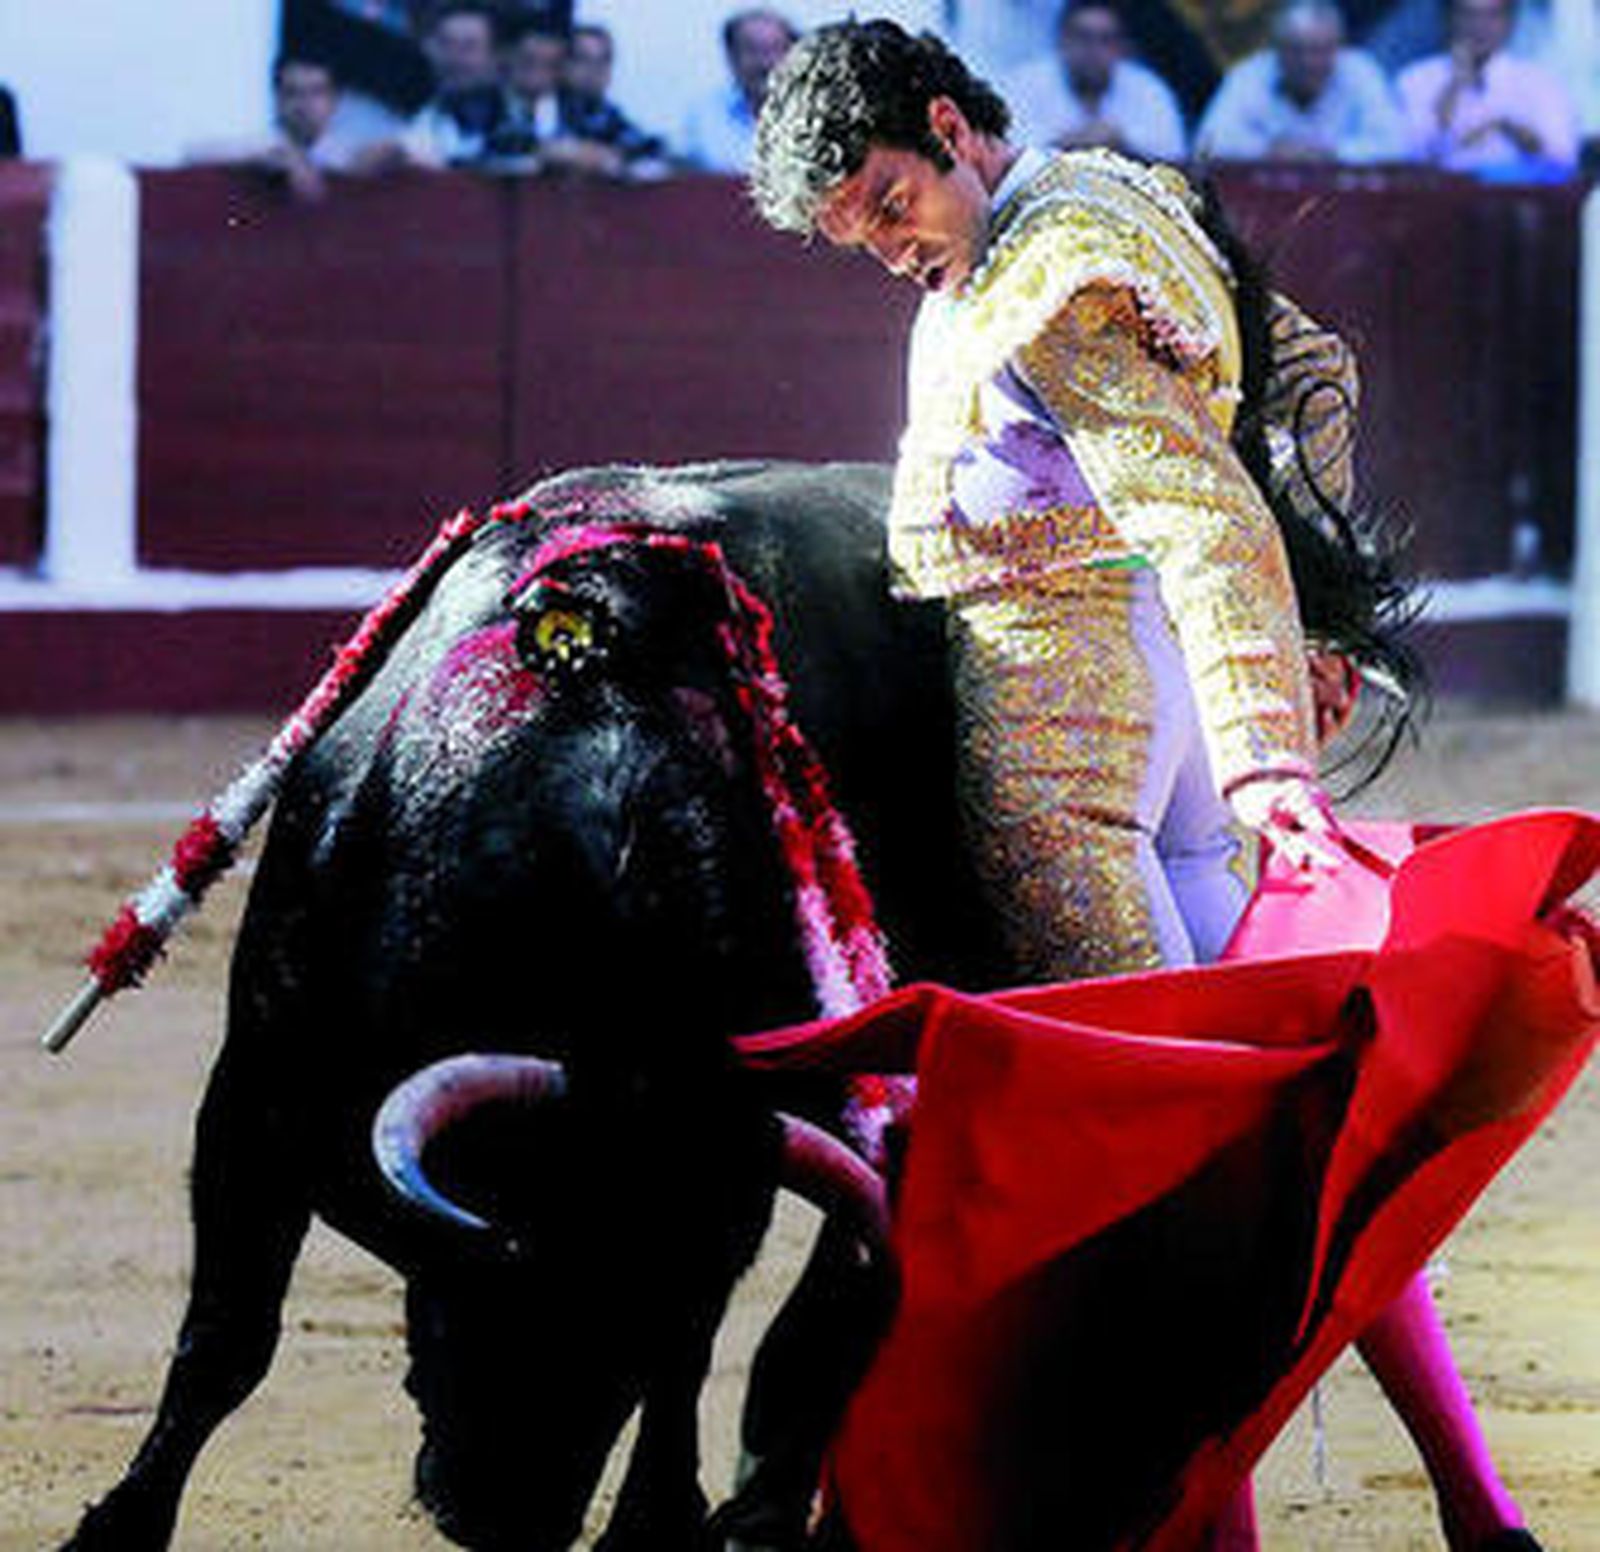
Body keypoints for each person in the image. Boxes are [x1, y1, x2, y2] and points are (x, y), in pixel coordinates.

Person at [749, 19, 1541, 1551]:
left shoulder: (1049, 284)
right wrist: (1304, 624)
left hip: (1079, 748)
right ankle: (1471, 1498)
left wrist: (1263, 749)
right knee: (1278, 1141)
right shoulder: (1108, 199)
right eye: (856, 237)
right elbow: (1309, 379)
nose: (889, 252)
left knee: (1160, 1174)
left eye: (890, 203)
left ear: (949, 123)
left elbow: (1195, 509)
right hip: (1162, 703)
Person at [1196, 0, 1409, 163]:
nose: (1309, 62)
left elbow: (1398, 146)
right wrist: (1266, 150)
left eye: (1320, 50)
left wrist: (1330, 152)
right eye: (1297, 50)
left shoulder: (1361, 71)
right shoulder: (1249, 75)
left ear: (1339, 47)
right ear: (1276, 48)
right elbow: (1205, 146)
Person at [1396, 0, 1579, 175]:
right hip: (1438, 195)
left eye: (1492, 15)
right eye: (1468, 15)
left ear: (1510, 21)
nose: (1479, 26)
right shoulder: (1415, 80)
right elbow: (1409, 156)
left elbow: (1563, 159)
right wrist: (1454, 86)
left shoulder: (1541, 83)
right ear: (1449, 18)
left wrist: (1510, 128)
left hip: (1519, 198)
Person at [1003, 0, 1188, 164]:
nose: (1093, 50)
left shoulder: (1149, 89)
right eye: (1083, 37)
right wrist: (1069, 143)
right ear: (1062, 40)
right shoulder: (1024, 83)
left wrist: (1123, 145)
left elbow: (1175, 164)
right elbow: (1005, 158)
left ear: (1122, 47)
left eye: (1105, 40)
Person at [185, 54, 356, 200]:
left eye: (316, 92)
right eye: (292, 92)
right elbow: (194, 154)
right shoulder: (264, 145)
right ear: (277, 99)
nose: (304, 104)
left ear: (335, 100)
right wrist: (278, 156)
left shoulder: (347, 150)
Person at [679, 8, 798, 173]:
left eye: (774, 50)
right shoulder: (704, 116)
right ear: (731, 56)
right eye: (752, 50)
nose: (765, 63)